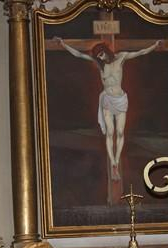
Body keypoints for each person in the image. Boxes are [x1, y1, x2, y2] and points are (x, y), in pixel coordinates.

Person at [54, 37, 161, 181]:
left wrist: (154, 45)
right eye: (98, 56)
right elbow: (79, 55)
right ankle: (113, 163)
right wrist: (63, 44)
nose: (101, 58)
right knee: (110, 133)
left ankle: (117, 158)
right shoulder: (100, 65)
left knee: (120, 133)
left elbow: (140, 52)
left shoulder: (121, 57)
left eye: (101, 54)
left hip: (120, 99)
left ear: (106, 51)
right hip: (107, 100)